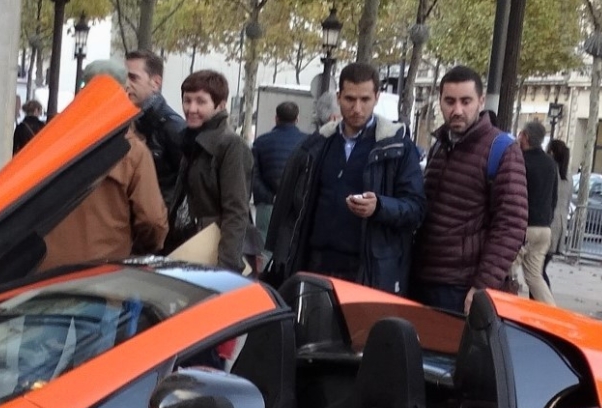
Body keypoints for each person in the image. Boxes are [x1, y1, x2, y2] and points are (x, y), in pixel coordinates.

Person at [263, 63, 425, 293]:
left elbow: (416, 208)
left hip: (365, 267)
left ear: (377, 98)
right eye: (350, 99)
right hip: (315, 263)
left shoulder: (397, 147)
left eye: (365, 99)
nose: (357, 108)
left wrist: (379, 206)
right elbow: (292, 206)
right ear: (338, 97)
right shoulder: (319, 143)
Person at [410, 67, 528, 314]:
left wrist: (481, 286)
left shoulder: (502, 149)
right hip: (423, 279)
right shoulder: (439, 147)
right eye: (449, 101)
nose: (457, 110)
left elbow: (511, 225)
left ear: (481, 101)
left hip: (461, 288)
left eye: (466, 101)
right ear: (440, 101)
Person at [43, 69, 168, 269]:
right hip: (102, 275)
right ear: (124, 94)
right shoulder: (133, 151)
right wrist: (138, 251)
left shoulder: (49, 141)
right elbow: (152, 221)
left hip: (46, 274)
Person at [166, 69, 255, 271]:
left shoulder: (231, 145)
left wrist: (226, 268)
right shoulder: (191, 139)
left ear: (221, 104)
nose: (191, 108)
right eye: (187, 100)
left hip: (210, 254)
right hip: (187, 246)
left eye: (200, 101)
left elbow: (236, 211)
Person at [509, 119, 561, 306]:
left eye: (521, 133)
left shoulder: (520, 160)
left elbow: (512, 193)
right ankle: (552, 315)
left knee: (507, 272)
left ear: (526, 137)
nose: (519, 136)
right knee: (534, 277)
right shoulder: (550, 164)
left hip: (523, 227)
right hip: (544, 228)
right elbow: (554, 197)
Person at [123, 49, 185, 202]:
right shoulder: (129, 122)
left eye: (133, 78)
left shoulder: (172, 126)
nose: (126, 84)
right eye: (124, 77)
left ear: (155, 83)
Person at [249, 101, 307, 242]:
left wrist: (269, 197)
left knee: (265, 246)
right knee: (292, 247)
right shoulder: (307, 142)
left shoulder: (261, 142)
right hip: (296, 207)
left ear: (276, 118)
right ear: (297, 119)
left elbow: (253, 176)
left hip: (267, 205)